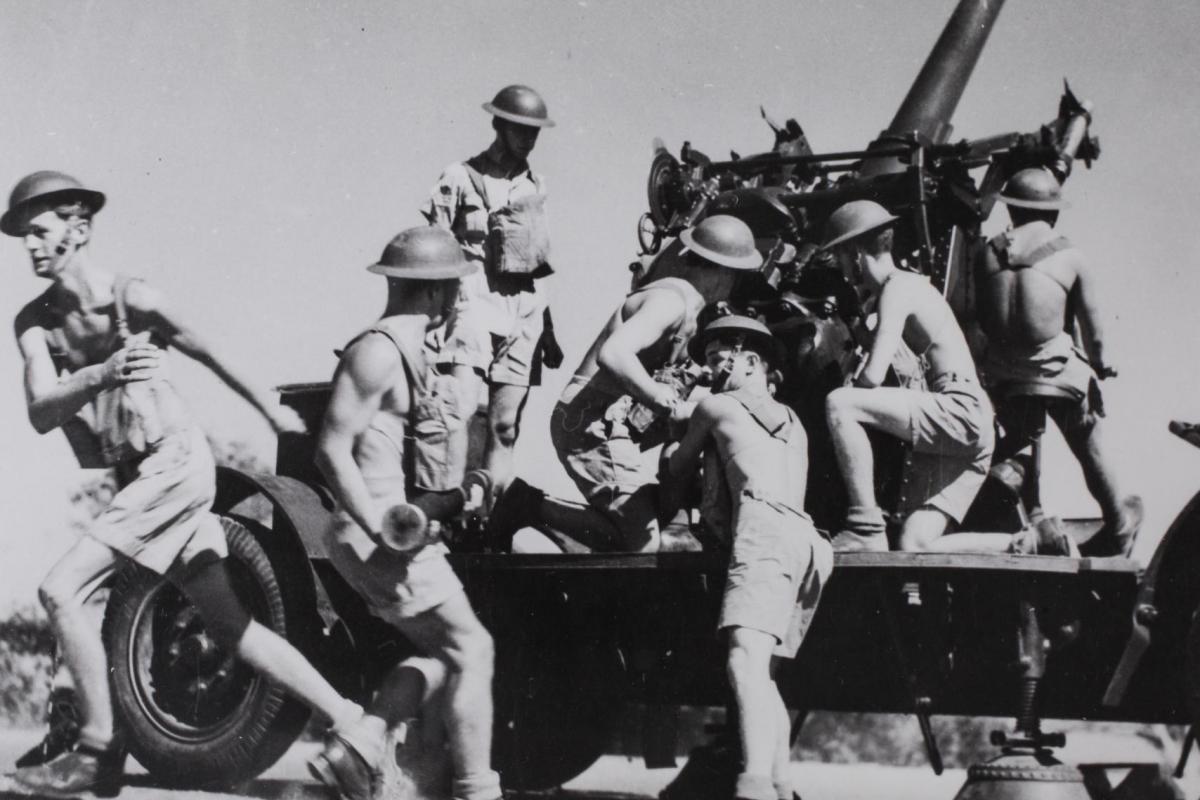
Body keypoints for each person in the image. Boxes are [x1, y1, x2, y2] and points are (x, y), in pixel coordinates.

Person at [4, 170, 365, 794]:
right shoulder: (33, 323)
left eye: (40, 232)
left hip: (176, 466)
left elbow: (211, 350)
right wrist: (103, 374)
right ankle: (356, 725)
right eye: (23, 236)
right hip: (143, 479)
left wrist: (272, 413)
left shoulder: (132, 298)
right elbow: (41, 411)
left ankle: (95, 751)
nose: (30, 245)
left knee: (61, 590)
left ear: (79, 228)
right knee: (233, 628)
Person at [311, 226, 501, 800]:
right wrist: (379, 526)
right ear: (436, 292)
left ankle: (362, 742)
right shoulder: (377, 350)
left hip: (389, 536)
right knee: (475, 649)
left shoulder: (410, 351)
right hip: (381, 537)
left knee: (447, 652)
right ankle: (476, 790)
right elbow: (330, 448)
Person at [491, 215, 762, 552]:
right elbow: (614, 354)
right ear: (723, 272)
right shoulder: (671, 301)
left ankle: (529, 505)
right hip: (589, 423)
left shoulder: (687, 307)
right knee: (645, 544)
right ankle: (527, 506)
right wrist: (664, 400)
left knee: (636, 530)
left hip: (601, 421)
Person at [664, 316, 832, 800]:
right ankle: (779, 783)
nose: (711, 371)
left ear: (752, 362)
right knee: (765, 674)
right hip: (806, 539)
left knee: (743, 661)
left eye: (718, 360)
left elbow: (676, 471)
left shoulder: (717, 407)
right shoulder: (794, 421)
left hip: (763, 532)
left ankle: (754, 785)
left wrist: (677, 419)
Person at [977, 167, 1141, 556]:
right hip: (1055, 373)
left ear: (1011, 211)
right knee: (1089, 447)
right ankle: (1119, 524)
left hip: (1005, 376)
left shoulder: (984, 253)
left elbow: (979, 318)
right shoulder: (1070, 255)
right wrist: (1099, 365)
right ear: (1053, 212)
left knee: (1020, 439)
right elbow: (1094, 331)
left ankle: (1033, 515)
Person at [822, 200, 995, 552]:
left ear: (855, 253)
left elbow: (872, 375)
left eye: (839, 256)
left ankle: (865, 525)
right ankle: (1033, 542)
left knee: (840, 404)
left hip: (958, 408)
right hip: (975, 424)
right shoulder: (909, 287)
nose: (839, 267)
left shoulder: (897, 288)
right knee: (914, 543)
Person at [420, 84, 563, 503]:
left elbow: (539, 261)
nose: (528, 138)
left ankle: (492, 520)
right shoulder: (458, 176)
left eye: (534, 131)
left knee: (506, 427)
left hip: (524, 308)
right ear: (499, 124)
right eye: (520, 128)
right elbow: (432, 248)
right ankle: (443, 507)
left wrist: (549, 330)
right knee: (457, 410)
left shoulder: (535, 184)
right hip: (471, 298)